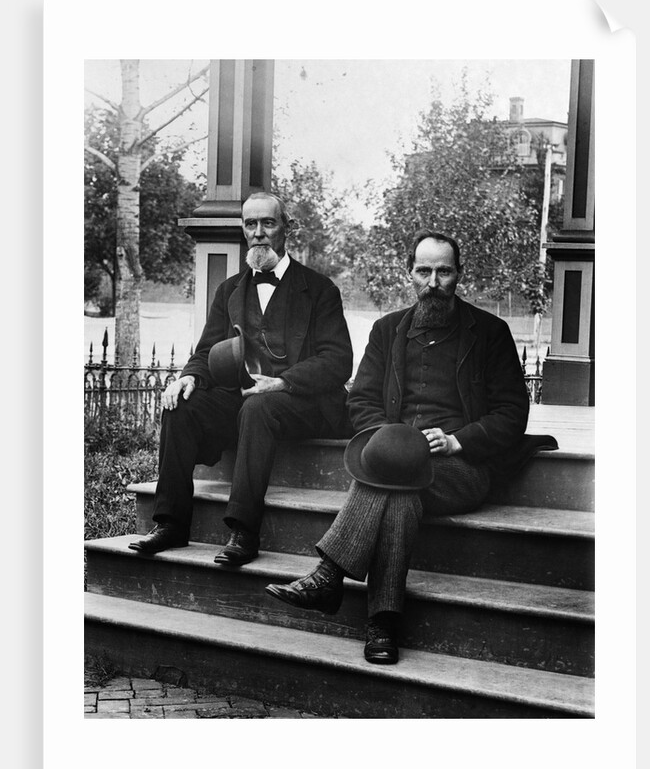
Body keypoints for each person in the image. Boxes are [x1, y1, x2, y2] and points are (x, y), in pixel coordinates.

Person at [266, 229, 555, 665]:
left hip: (462, 466)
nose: (433, 281)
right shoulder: (387, 330)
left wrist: (457, 440)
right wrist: (391, 440)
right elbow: (360, 399)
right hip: (397, 462)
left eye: (443, 271)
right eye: (424, 271)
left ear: (459, 275)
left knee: (392, 479)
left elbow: (512, 413)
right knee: (399, 493)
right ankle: (382, 625)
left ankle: (329, 575)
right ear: (409, 274)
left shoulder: (491, 333)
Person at [130, 192, 353, 565]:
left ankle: (244, 531)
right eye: (251, 224)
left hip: (301, 402)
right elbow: (205, 350)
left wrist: (283, 382)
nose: (259, 233)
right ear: (243, 230)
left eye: (268, 223)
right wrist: (189, 377)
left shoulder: (319, 289)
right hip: (244, 397)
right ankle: (170, 523)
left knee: (258, 406)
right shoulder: (230, 289)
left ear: (287, 227)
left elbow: (338, 360)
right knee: (182, 407)